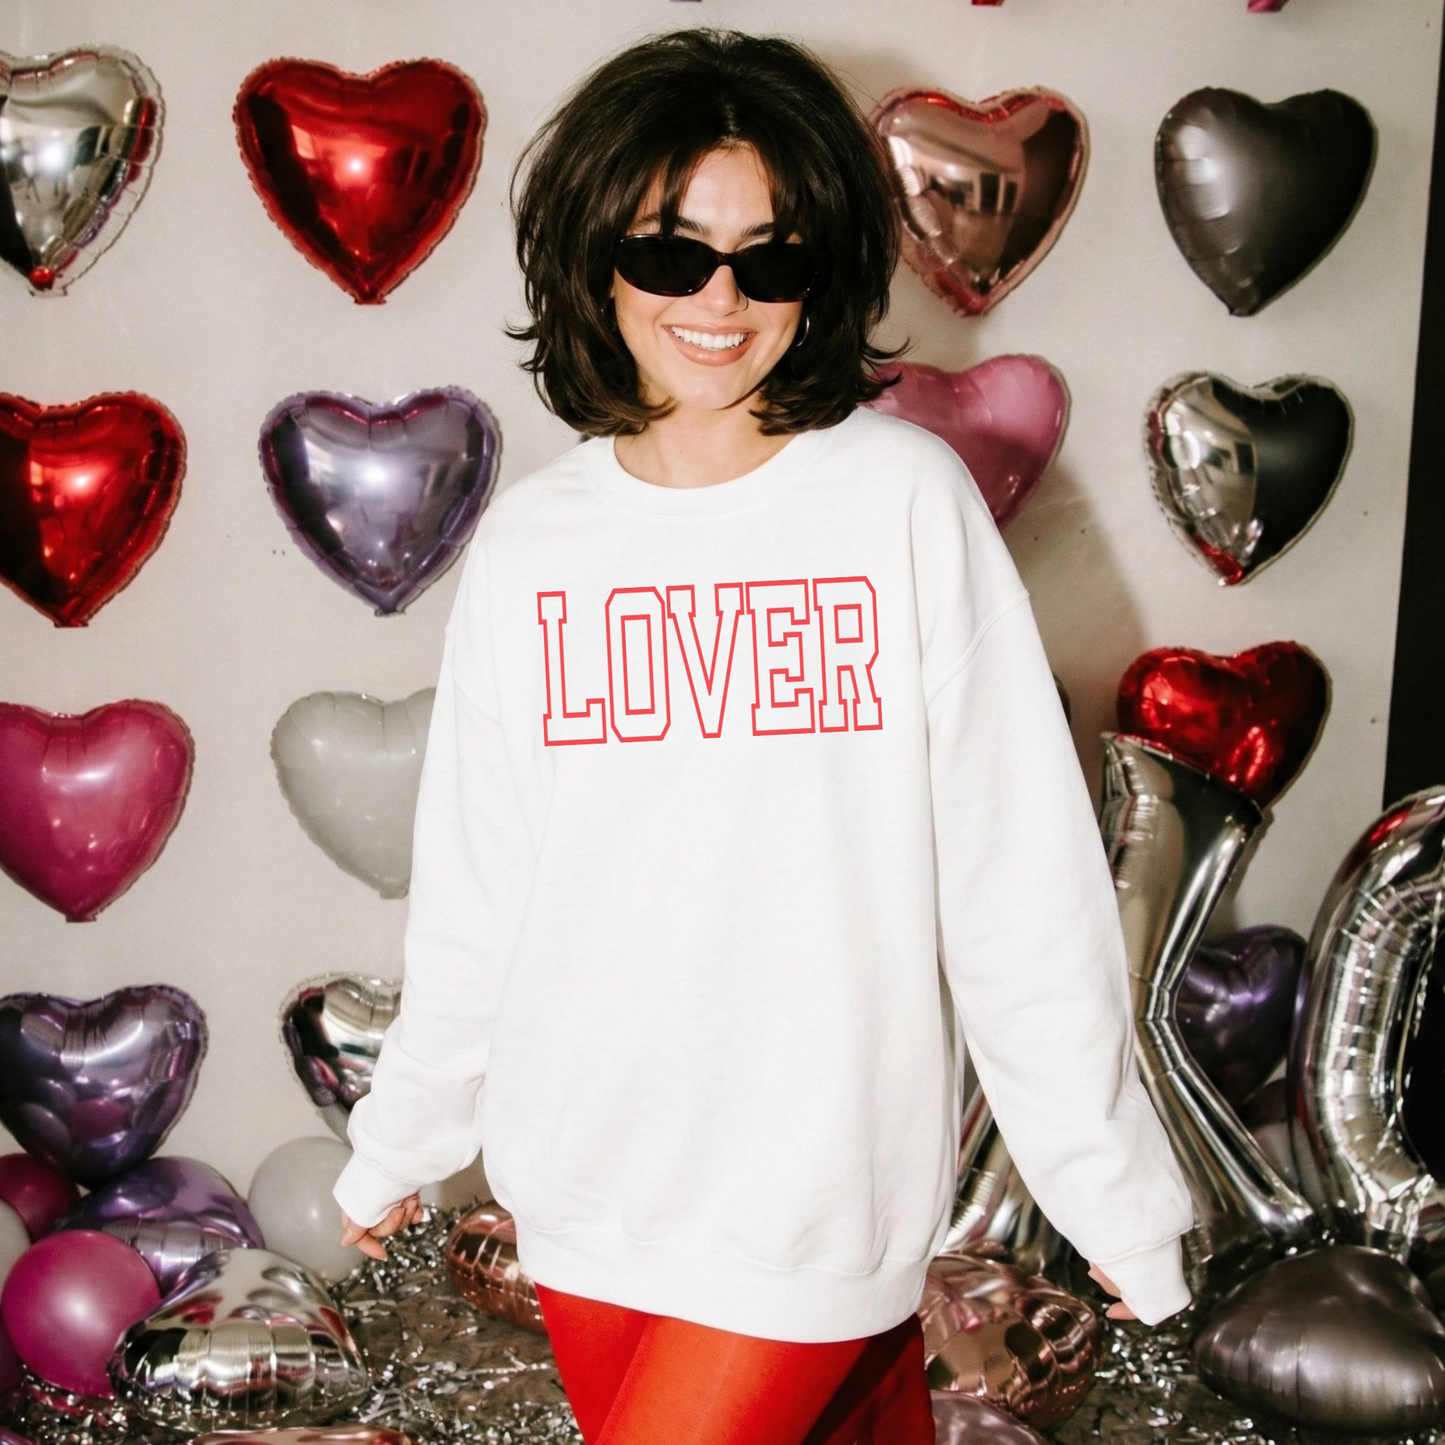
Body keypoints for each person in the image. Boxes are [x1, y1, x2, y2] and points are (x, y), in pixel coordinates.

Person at [333, 26, 1196, 1445]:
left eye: (770, 256)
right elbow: (481, 893)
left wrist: (1106, 1185)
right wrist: (403, 1141)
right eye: (672, 253)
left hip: (811, 1195)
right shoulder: (537, 544)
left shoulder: (901, 505)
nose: (719, 301)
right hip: (584, 1184)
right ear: (593, 261)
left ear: (827, 269)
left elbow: (1018, 880)